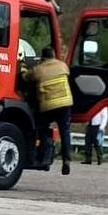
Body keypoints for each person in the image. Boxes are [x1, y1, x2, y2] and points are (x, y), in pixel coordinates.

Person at [24, 46, 74, 175]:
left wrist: (23, 66)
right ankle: (67, 160)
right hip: (65, 103)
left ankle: (43, 155)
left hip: (48, 105)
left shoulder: (39, 69)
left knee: (43, 129)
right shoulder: (63, 66)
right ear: (53, 56)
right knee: (65, 132)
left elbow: (26, 77)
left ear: (43, 58)